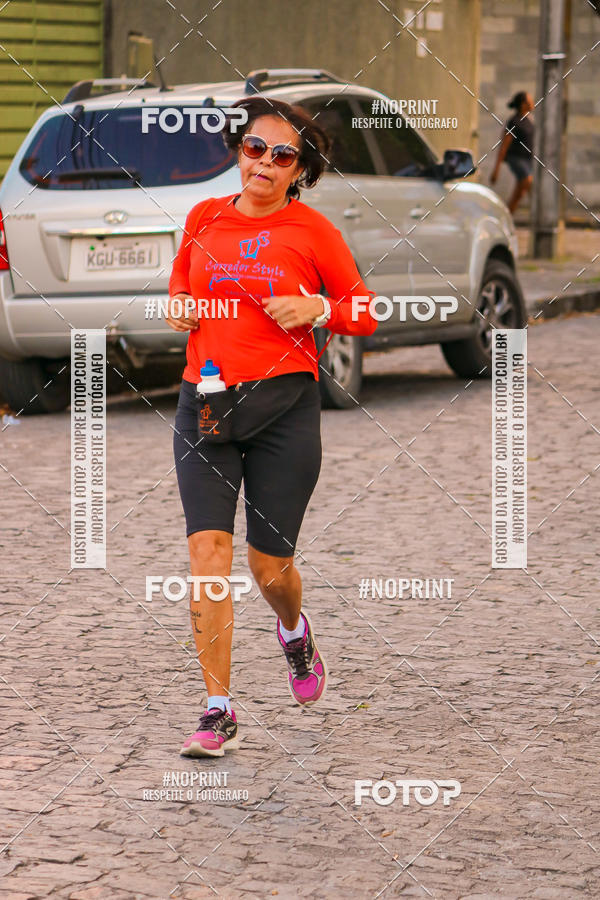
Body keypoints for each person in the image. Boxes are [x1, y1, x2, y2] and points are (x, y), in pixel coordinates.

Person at [166, 96, 377, 758]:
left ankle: (293, 630)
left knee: (270, 566)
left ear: (299, 170)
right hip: (205, 403)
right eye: (255, 147)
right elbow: (180, 284)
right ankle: (218, 709)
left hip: (285, 410)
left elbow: (364, 311)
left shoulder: (314, 232)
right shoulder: (203, 217)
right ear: (240, 150)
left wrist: (316, 307)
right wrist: (178, 305)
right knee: (208, 554)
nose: (264, 162)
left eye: (282, 155)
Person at [491, 91, 535, 215]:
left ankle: (506, 217)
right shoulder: (514, 121)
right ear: (523, 104)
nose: (532, 102)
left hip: (528, 160)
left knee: (519, 194)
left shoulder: (529, 120)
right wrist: (496, 170)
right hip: (516, 158)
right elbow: (504, 145)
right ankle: (541, 216)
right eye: (529, 101)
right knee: (530, 183)